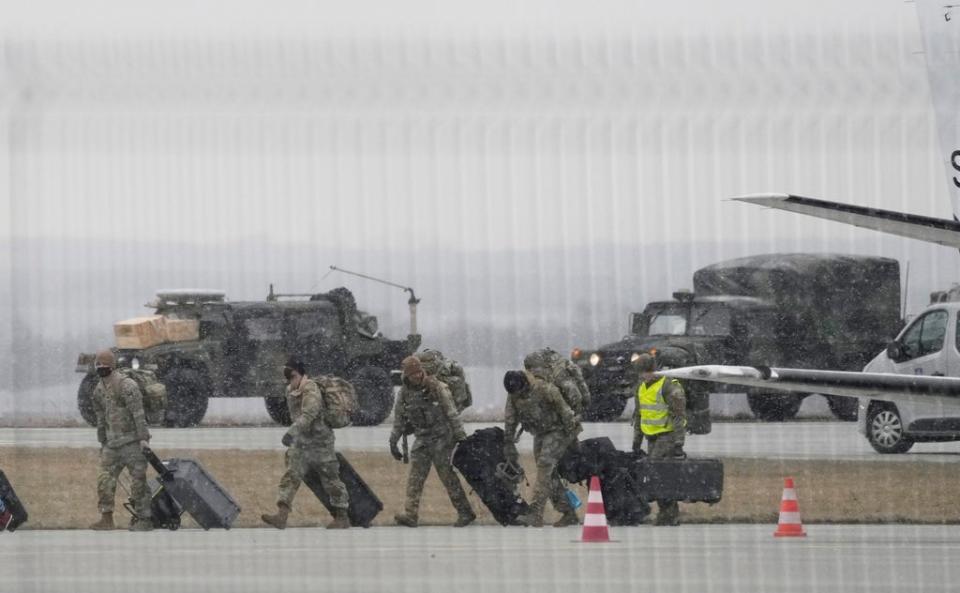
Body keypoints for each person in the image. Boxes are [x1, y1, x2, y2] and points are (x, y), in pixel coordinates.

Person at [262, 358, 350, 530]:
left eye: (292, 376)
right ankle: (282, 515)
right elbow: (296, 416)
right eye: (287, 377)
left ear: (301, 374)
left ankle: (342, 516)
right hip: (302, 442)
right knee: (291, 475)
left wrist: (291, 432)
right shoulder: (290, 390)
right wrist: (296, 434)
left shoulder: (311, 389)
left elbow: (309, 414)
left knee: (331, 480)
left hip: (320, 442)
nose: (290, 381)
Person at [389, 356, 475, 528]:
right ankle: (411, 515)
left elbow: (452, 414)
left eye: (419, 372)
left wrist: (462, 439)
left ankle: (465, 513)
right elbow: (399, 419)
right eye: (413, 374)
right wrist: (393, 442)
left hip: (443, 438)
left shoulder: (437, 387)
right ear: (406, 375)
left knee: (447, 477)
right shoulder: (404, 393)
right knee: (415, 478)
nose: (418, 377)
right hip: (422, 439)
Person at [503, 370, 581, 528]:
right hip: (539, 433)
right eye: (515, 393)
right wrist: (508, 443)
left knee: (544, 467)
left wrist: (573, 439)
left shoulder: (545, 389)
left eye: (520, 391)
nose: (518, 395)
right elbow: (510, 419)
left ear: (525, 384)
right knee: (549, 475)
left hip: (558, 430)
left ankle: (535, 514)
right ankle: (568, 511)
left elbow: (565, 412)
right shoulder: (513, 394)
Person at [89, 349, 153, 531]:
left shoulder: (127, 385)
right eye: (98, 365)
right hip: (112, 445)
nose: (101, 368)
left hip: (133, 443)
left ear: (112, 366)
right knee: (104, 481)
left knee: (138, 482)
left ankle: (145, 520)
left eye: (104, 365)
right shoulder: (98, 389)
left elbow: (138, 414)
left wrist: (143, 439)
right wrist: (102, 442)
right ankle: (106, 518)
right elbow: (101, 418)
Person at [632, 353, 687, 526]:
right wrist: (636, 442)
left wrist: (679, 443)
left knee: (657, 473)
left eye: (647, 372)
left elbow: (679, 417)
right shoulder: (640, 387)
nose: (644, 376)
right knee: (659, 475)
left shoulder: (669, 386)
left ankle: (669, 513)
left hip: (667, 436)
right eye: (641, 372)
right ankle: (668, 512)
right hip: (651, 437)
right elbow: (639, 416)